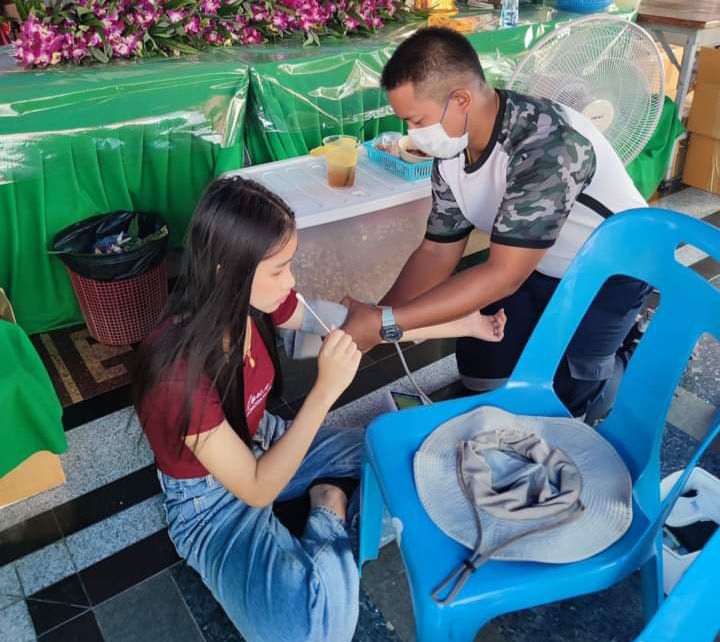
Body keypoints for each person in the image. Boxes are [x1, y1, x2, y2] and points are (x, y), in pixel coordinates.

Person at [132, 176, 506, 642]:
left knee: (411, 459)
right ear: (228, 268)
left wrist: (463, 324)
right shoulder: (176, 376)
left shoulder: (252, 301)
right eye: (279, 270)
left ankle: (327, 521)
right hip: (211, 503)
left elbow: (362, 327)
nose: (291, 281)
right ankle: (329, 507)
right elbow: (256, 488)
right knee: (316, 631)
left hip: (263, 437)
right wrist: (324, 392)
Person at [342, 27, 651, 424]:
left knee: (567, 400)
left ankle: (631, 352)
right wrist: (378, 317)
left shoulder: (547, 145)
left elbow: (503, 276)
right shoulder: (452, 149)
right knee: (481, 370)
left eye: (416, 120)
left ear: (461, 100)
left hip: (611, 273)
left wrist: (385, 325)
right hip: (531, 261)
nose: (412, 134)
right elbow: (436, 250)